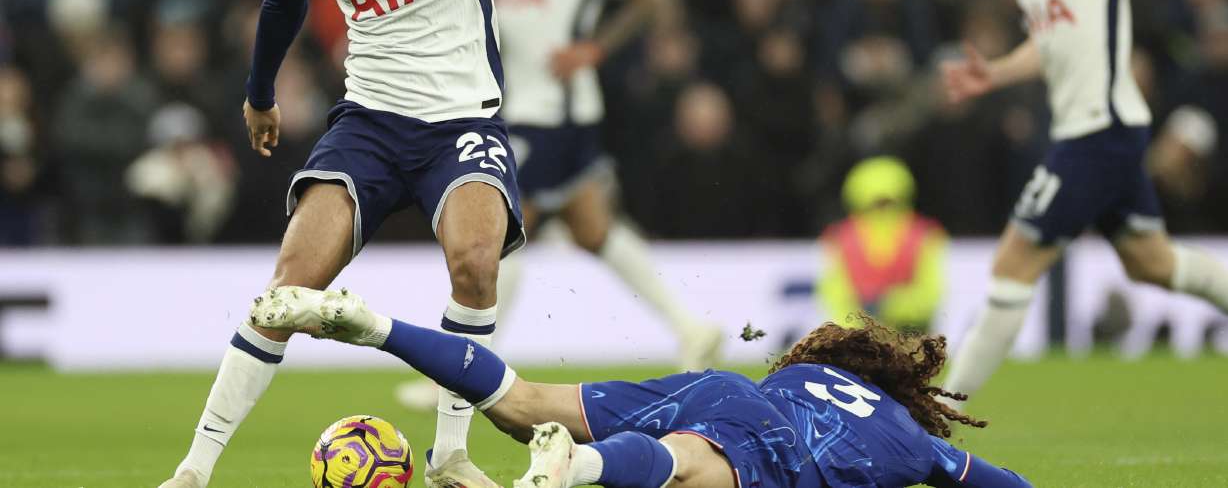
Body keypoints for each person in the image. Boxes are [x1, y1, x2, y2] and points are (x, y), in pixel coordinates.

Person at [158, 0, 575, 486]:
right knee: (289, 289)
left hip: (464, 120)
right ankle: (194, 471)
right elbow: (281, 0)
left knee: (475, 264)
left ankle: (449, 454)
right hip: (371, 125)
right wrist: (259, 93)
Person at [941, 0, 1228, 406]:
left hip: (1103, 130)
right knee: (1153, 264)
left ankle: (941, 411)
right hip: (1092, 131)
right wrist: (995, 72)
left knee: (1014, 258)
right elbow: (1051, 44)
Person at [251, 285, 1032, 488]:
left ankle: (375, 326)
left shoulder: (810, 369)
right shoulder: (910, 441)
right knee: (690, 465)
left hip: (724, 387)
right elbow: (999, 482)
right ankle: (581, 468)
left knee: (523, 403)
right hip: (775, 444)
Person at [479, 0, 719, 367]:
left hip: (554, 108)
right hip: (517, 102)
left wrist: (595, 48)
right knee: (592, 228)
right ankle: (693, 327)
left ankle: (470, 362)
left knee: (500, 225)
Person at [819, 156, 946, 333]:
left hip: (910, 330)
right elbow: (834, 291)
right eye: (877, 203)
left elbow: (931, 290)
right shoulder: (839, 237)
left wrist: (889, 307)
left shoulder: (924, 235)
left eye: (887, 202)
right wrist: (853, 326)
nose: (882, 209)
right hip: (858, 334)